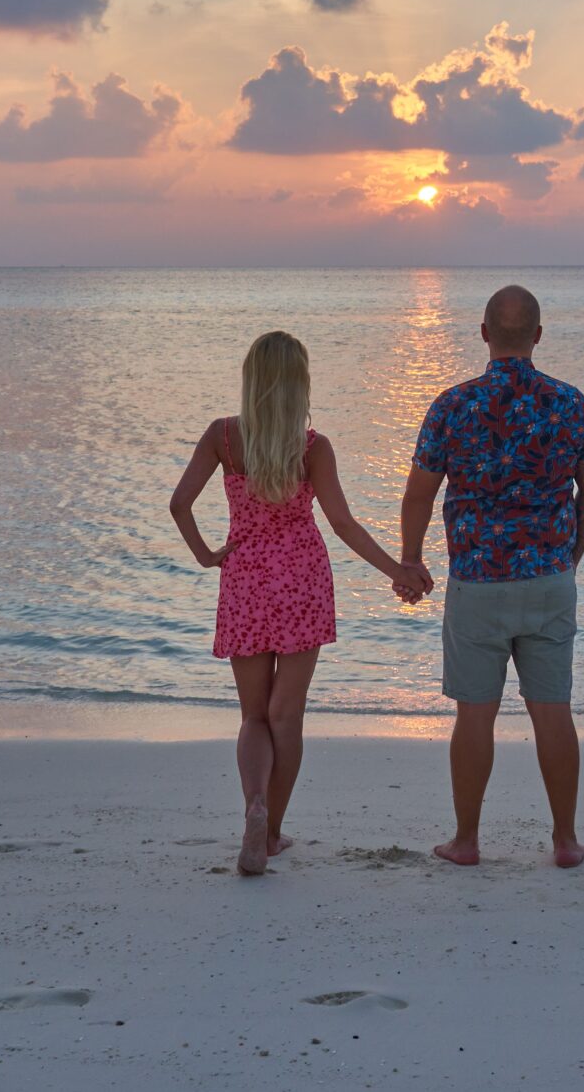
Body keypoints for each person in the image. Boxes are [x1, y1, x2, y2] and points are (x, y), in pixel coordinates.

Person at [170, 331, 432, 876]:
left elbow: (180, 504)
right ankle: (269, 835)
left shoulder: (222, 436)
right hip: (302, 581)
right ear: (300, 385)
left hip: (243, 578)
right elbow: (342, 524)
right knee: (285, 715)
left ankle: (253, 806)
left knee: (252, 716)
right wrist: (399, 570)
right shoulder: (313, 448)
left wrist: (205, 556)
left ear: (251, 380)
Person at [401, 285, 584, 870]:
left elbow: (419, 494)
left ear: (483, 333)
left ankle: (466, 841)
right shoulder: (572, 404)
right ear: (538, 336)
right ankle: (565, 842)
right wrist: (571, 555)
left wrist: (411, 559)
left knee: (475, 713)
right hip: (548, 578)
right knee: (553, 710)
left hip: (477, 580)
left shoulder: (452, 405)